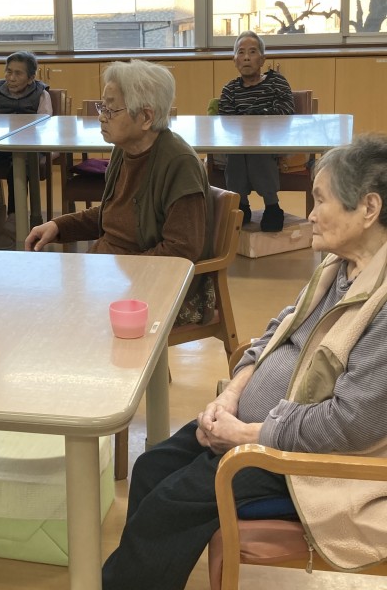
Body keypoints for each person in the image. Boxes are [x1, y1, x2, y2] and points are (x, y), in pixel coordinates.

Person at [102, 132, 387, 590]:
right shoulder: (337, 266)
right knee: (152, 467)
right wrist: (231, 396)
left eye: (321, 200)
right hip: (255, 433)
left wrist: (247, 436)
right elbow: (277, 331)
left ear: (368, 209)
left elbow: (349, 425)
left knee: (168, 506)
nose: (311, 214)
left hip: (301, 465)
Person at [26, 59, 216, 326]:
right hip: (114, 271)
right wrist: (58, 226)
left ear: (146, 117)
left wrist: (116, 273)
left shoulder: (179, 164)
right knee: (36, 304)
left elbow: (181, 250)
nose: (101, 116)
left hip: (157, 284)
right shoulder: (124, 150)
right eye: (102, 107)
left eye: (111, 109)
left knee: (59, 320)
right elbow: (115, 214)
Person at [219, 30, 294, 232]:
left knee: (257, 149)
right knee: (236, 151)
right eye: (241, 52)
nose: (246, 57)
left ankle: (272, 205)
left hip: (271, 140)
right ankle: (241, 204)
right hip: (239, 143)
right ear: (234, 60)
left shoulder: (277, 82)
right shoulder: (229, 90)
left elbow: (285, 112)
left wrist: (251, 119)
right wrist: (257, 119)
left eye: (252, 52)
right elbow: (226, 122)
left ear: (262, 59)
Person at [0, 51, 52, 248]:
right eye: (8, 72)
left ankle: (13, 218)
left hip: (28, 145)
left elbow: (45, 123)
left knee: (19, 165)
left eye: (18, 73)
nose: (11, 78)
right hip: (1, 144)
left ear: (31, 78)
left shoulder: (41, 93)